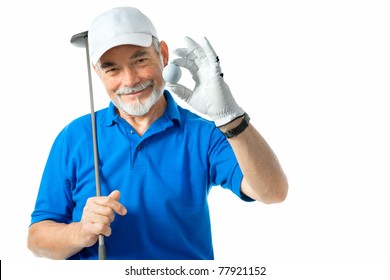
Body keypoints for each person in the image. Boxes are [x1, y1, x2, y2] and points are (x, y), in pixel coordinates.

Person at [27, 6, 288, 260]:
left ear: (163, 54)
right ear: (97, 72)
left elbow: (272, 191)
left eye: (140, 60)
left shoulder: (202, 135)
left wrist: (230, 117)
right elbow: (37, 240)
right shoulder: (76, 136)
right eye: (112, 69)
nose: (129, 80)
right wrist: (80, 233)